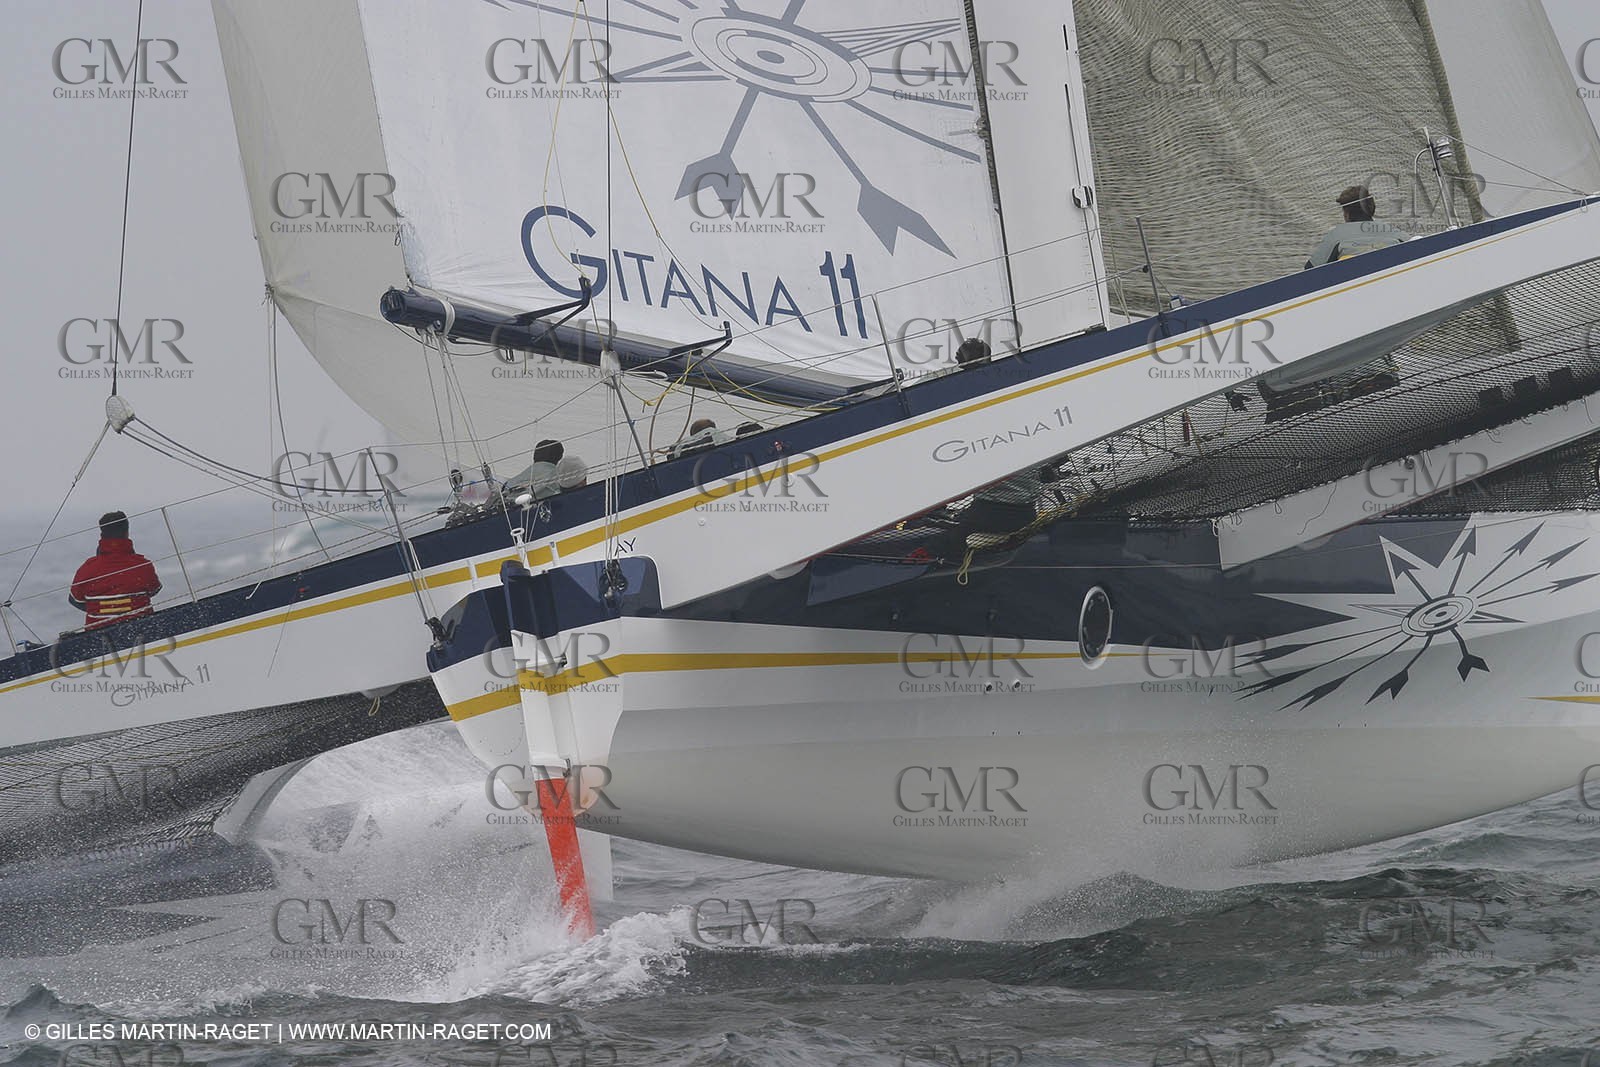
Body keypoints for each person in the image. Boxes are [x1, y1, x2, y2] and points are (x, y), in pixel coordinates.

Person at [69, 511, 162, 630]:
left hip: (98, 638)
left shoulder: (87, 569)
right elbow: (154, 589)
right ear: (127, 533)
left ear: (102, 535)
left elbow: (75, 599)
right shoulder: (142, 566)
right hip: (143, 631)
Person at [1305, 185, 1410, 269]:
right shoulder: (1395, 233)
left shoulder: (1336, 236)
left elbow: (1310, 269)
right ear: (1372, 209)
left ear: (1346, 213)